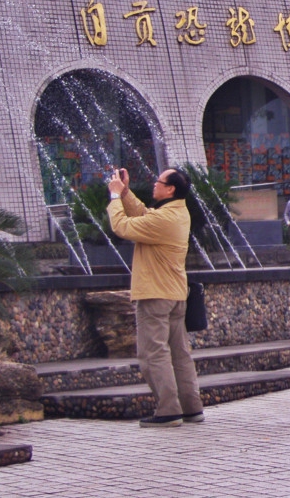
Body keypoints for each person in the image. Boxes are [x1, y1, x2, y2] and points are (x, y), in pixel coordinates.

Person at [107, 167, 204, 427]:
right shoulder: (176, 212)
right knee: (179, 354)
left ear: (170, 189)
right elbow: (144, 214)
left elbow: (122, 226)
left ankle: (168, 410)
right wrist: (125, 193)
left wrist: (114, 197)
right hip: (175, 294)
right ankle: (191, 408)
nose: (154, 184)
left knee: (153, 353)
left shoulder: (164, 219)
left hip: (155, 295)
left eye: (158, 181)